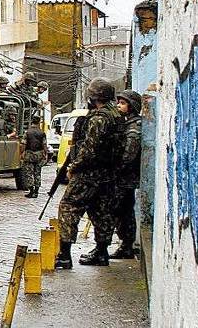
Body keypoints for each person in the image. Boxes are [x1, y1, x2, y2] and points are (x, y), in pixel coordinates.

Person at [55, 77, 121, 269]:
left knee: (68, 207)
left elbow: (90, 149)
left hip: (89, 173)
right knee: (101, 212)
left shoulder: (99, 118)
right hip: (107, 174)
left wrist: (74, 166)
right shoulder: (116, 115)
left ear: (94, 97)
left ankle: (65, 255)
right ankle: (101, 253)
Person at [109, 90, 142, 259]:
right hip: (123, 177)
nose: (118, 106)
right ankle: (125, 244)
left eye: (122, 103)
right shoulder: (126, 123)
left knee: (123, 211)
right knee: (121, 211)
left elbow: (129, 154)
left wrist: (115, 167)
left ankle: (126, 245)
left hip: (126, 177)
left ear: (131, 106)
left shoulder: (134, 127)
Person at [21, 115, 47, 198]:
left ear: (31, 122)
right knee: (37, 173)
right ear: (39, 122)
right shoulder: (42, 133)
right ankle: (36, 192)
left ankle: (31, 191)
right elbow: (44, 145)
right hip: (39, 154)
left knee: (29, 173)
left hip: (29, 154)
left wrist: (21, 153)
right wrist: (45, 154)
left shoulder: (27, 132)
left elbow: (23, 144)